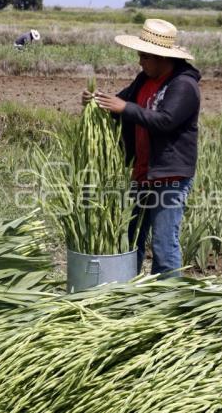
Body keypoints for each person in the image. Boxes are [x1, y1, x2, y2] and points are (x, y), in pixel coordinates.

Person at [82, 19, 201, 277]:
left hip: (169, 176)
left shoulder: (184, 85)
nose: (140, 62)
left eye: (144, 56)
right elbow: (119, 104)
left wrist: (124, 108)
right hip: (144, 174)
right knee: (132, 236)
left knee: (163, 243)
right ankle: (129, 291)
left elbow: (166, 121)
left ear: (161, 56)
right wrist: (95, 101)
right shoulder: (144, 79)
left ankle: (167, 302)